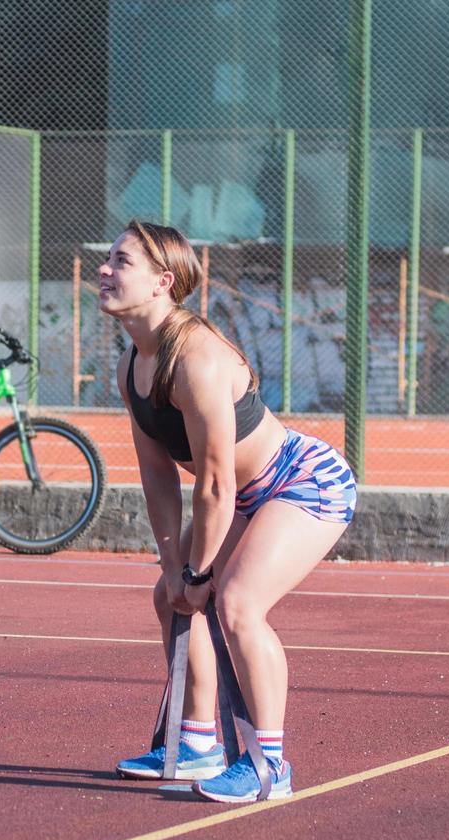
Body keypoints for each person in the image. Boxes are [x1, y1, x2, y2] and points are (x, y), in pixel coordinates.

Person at [103, 220, 357, 803]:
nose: (104, 270)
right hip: (244, 494)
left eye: (121, 262)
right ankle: (196, 746)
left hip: (303, 481)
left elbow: (214, 484)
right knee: (168, 599)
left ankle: (270, 764)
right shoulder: (131, 367)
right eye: (109, 259)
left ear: (162, 282)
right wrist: (175, 571)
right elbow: (158, 475)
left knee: (237, 602)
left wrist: (198, 575)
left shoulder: (198, 360)